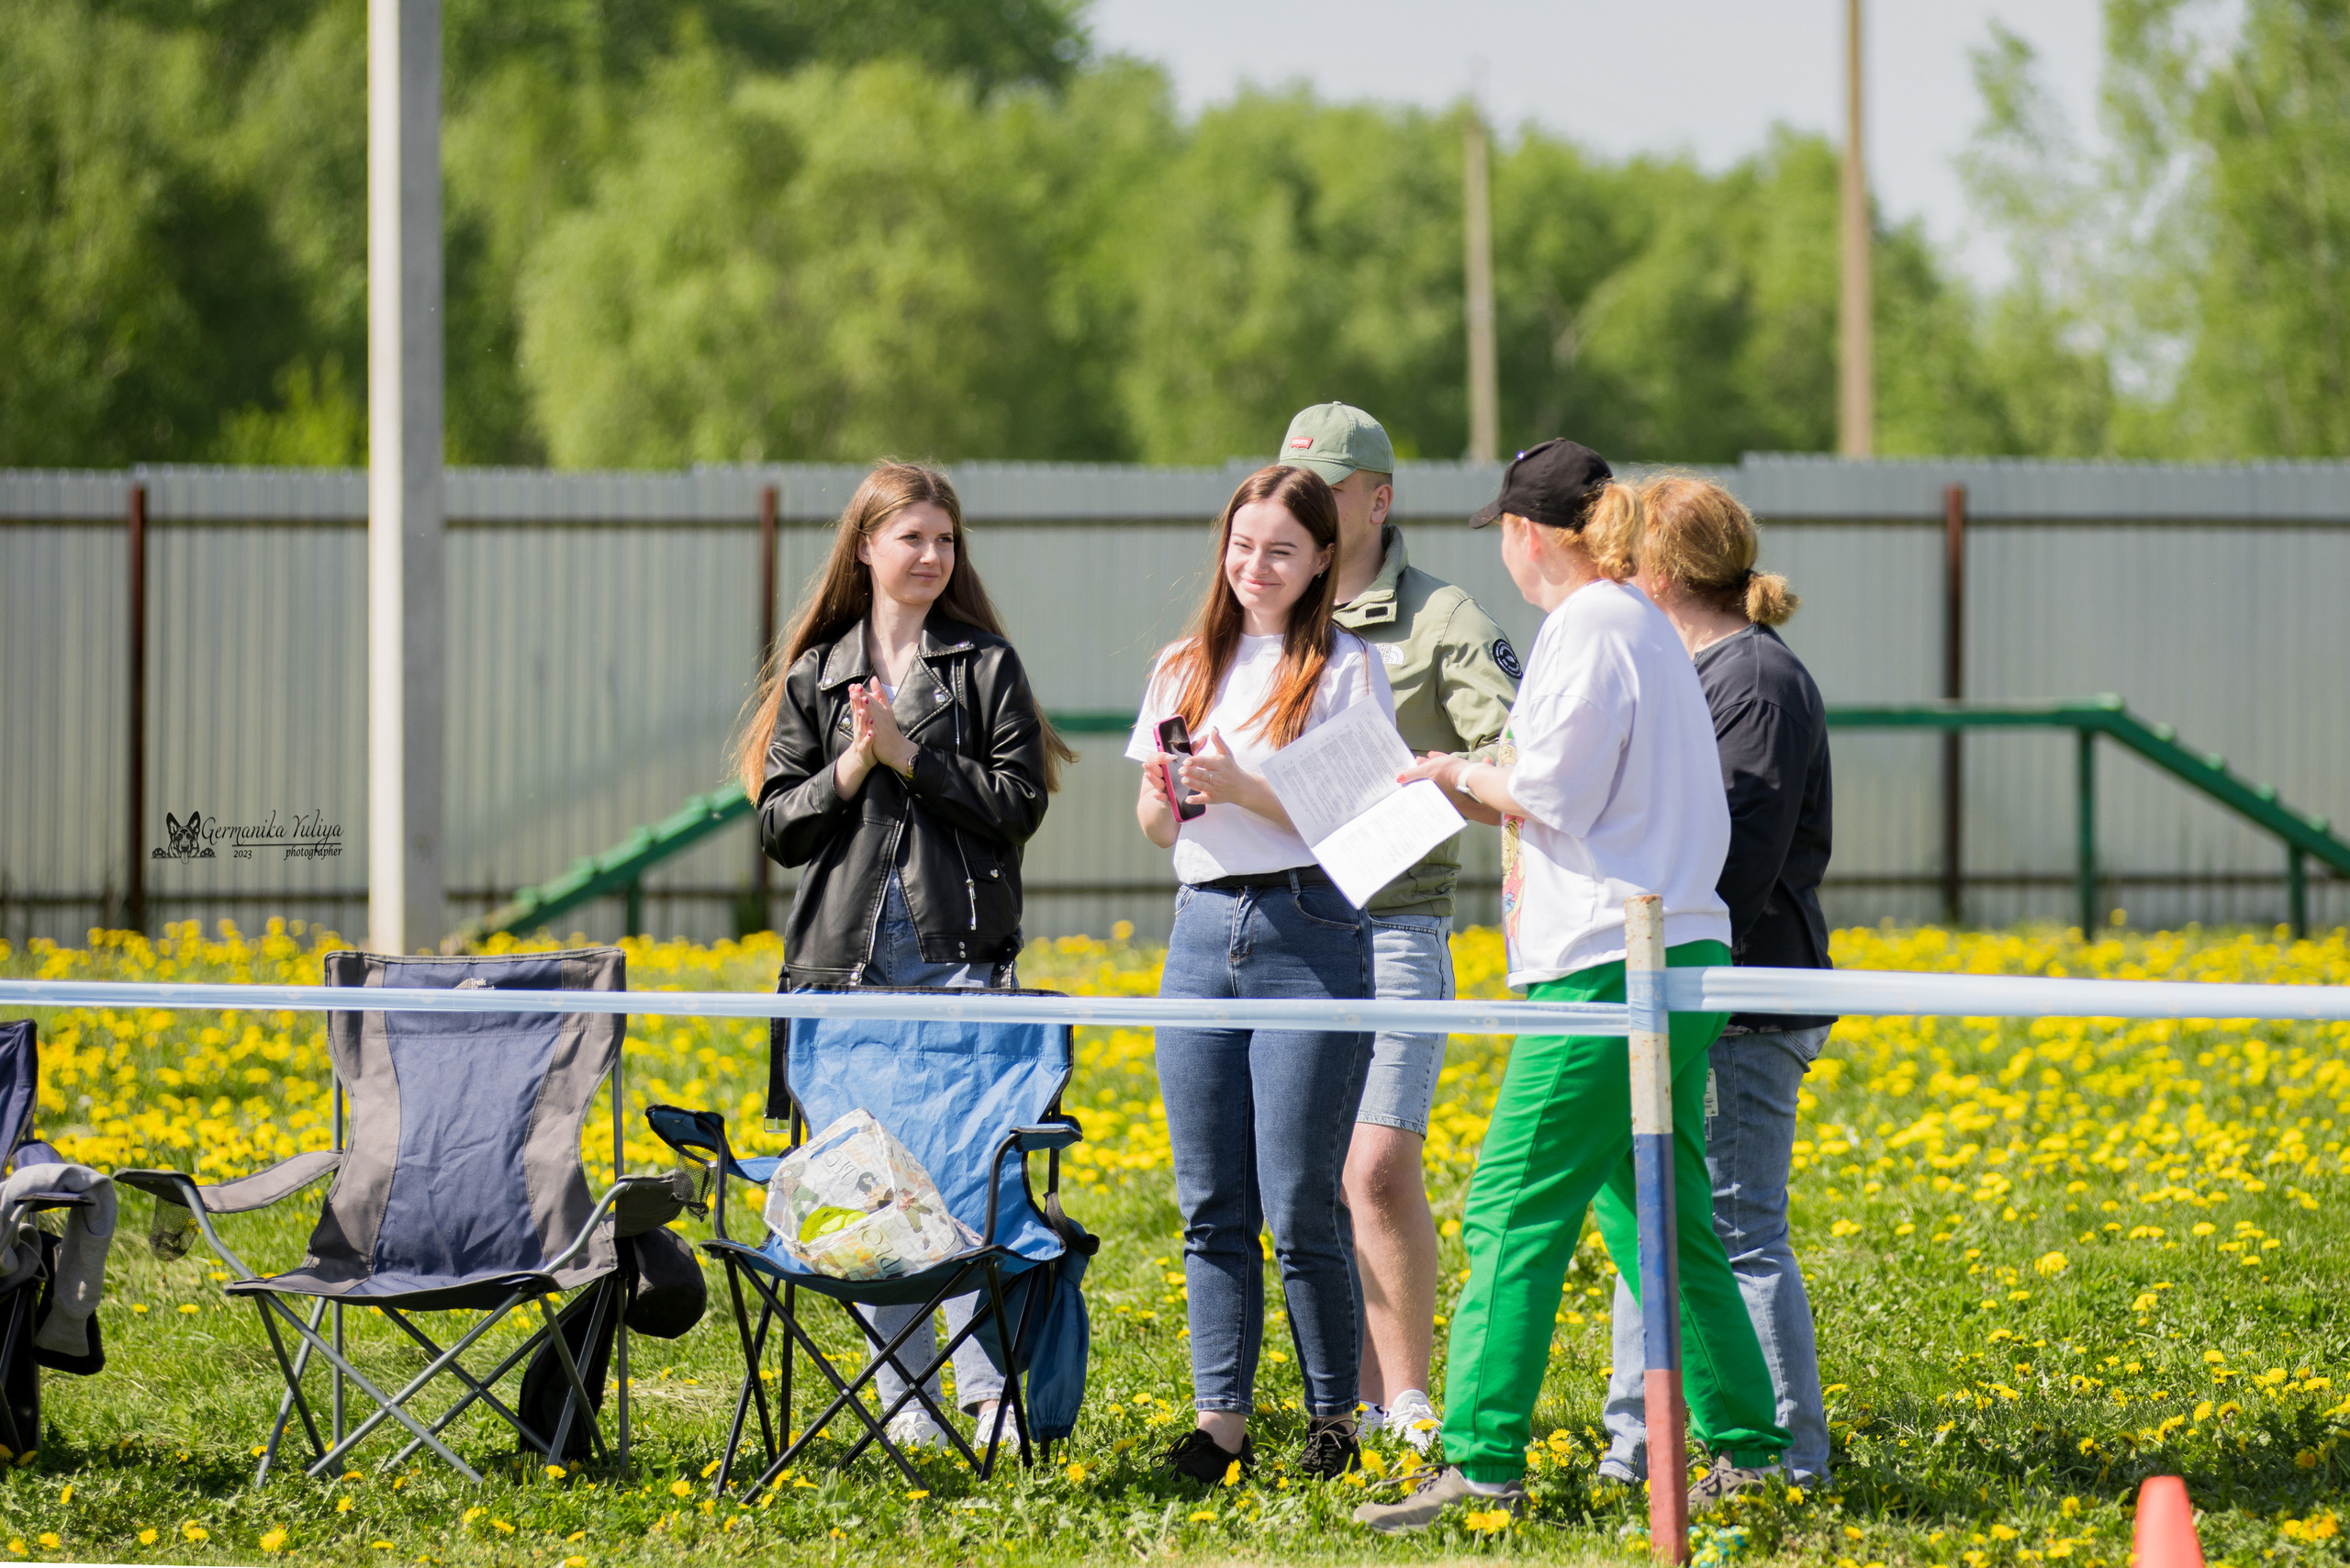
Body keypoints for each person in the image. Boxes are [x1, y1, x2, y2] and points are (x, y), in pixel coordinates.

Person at [1353, 440, 1790, 1534]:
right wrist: (1479, 781)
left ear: (1522, 533)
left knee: (1508, 1206)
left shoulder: (1588, 624)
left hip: (1607, 958)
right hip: (1667, 945)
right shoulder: (1633, 620)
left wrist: (1453, 771)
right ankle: (1747, 1447)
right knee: (1657, 1212)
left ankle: (1479, 1462)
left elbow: (1552, 790)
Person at [735, 460, 1074, 1450]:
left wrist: (911, 757)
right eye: (912, 537)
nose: (932, 555)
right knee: (869, 1184)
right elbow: (780, 827)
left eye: (945, 540)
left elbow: (1020, 804)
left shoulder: (985, 665)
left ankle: (985, 1395)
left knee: (962, 1177)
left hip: (959, 956)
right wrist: (853, 761)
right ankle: (904, 1400)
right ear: (865, 547)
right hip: (841, 968)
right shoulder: (817, 672)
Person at [1128, 464, 1393, 1484]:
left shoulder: (1346, 670)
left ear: (1322, 557)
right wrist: (1173, 791)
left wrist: (1246, 785)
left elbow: (1357, 817)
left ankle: (1334, 1418)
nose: (1256, 567)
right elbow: (1156, 827)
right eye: (1243, 546)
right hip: (1201, 931)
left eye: (1281, 550)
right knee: (1210, 1201)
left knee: (1299, 1197)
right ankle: (1221, 1426)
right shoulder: (1181, 665)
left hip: (1308, 928)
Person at [1272, 403, 1519, 1451]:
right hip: (1283, 928)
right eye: (1294, 484)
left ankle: (1408, 1401)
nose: (1304, 505)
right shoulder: (1266, 607)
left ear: (1378, 500)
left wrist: (1429, 783)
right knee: (1304, 1181)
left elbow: (1521, 765)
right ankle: (1350, 1405)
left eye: (1329, 490)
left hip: (1396, 924)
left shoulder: (1443, 616)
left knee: (1374, 1167)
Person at [1599, 475, 1837, 1486]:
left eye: (1624, 559)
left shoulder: (1754, 681)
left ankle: (1785, 1459)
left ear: (1659, 572)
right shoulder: (1706, 671)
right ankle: (1639, 1444)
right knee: (1657, 1223)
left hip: (1741, 1002)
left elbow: (1733, 862)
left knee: (1734, 1230)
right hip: (1693, 993)